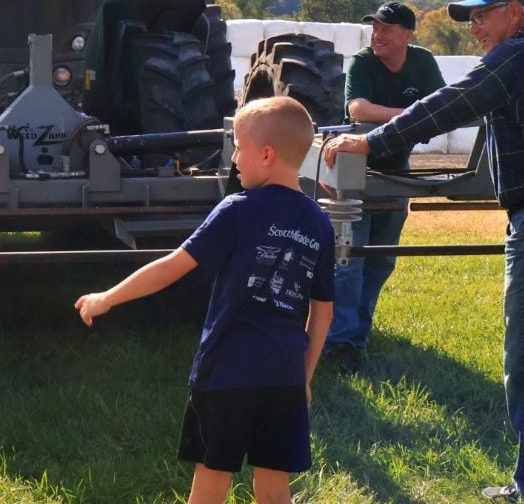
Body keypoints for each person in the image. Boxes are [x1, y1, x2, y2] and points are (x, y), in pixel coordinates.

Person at [324, 0, 524, 504]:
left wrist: (371, 141)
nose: (474, 28)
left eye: (481, 16)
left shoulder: (516, 56)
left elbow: (451, 103)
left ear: (514, 12)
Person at [75, 96, 335, 504]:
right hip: (284, 376)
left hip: (225, 373)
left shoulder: (236, 209)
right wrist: (304, 375)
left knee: (211, 483)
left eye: (239, 147)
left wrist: (107, 297)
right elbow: (324, 311)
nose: (234, 159)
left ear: (267, 155)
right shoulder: (320, 222)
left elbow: (171, 268)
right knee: (274, 489)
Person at [325, 1, 445, 372]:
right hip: (353, 171)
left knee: (381, 261)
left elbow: (444, 108)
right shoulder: (362, 62)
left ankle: (356, 333)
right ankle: (341, 343)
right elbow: (358, 110)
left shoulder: (422, 61)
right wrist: (413, 118)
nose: (377, 35)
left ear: (408, 35)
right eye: (375, 27)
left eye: (386, 29)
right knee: (350, 260)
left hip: (396, 171)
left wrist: (410, 120)